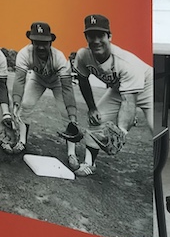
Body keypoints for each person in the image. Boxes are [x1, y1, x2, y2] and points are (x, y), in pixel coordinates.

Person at [62, 13, 152, 177]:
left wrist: (122, 130)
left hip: (148, 86)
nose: (96, 40)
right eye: (91, 35)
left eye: (100, 35)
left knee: (156, 128)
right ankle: (89, 164)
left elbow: (128, 101)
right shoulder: (83, 55)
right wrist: (92, 108)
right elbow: (83, 80)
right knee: (98, 118)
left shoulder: (124, 63)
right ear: (86, 37)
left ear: (109, 36)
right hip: (120, 89)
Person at [7, 22, 77, 156]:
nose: (40, 46)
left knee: (66, 114)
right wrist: (16, 101)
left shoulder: (59, 57)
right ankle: (22, 141)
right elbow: (20, 79)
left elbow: (67, 88)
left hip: (57, 82)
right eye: (36, 42)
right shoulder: (24, 53)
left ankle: (71, 153)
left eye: (44, 42)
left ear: (50, 42)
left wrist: (73, 115)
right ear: (31, 41)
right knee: (25, 105)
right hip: (38, 79)